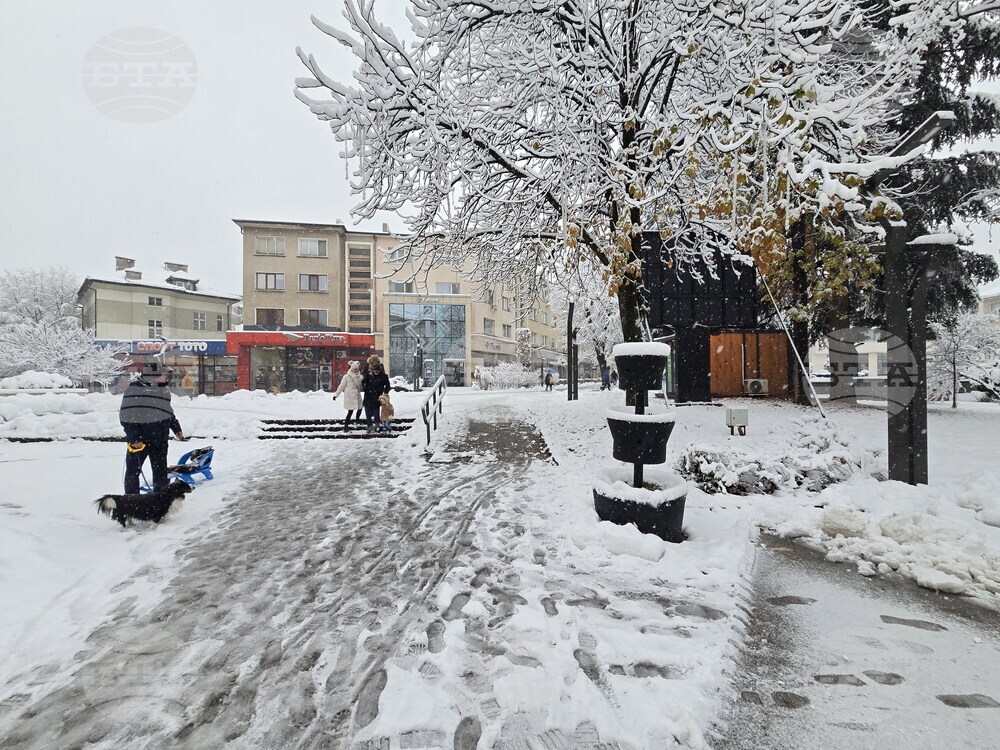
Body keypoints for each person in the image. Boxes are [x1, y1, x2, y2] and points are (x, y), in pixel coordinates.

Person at [119, 361, 185, 493]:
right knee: (133, 472)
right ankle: (131, 502)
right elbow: (127, 416)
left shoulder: (163, 390)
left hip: (160, 439)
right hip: (140, 441)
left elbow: (167, 412)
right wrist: (134, 438)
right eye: (165, 375)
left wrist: (176, 428)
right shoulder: (134, 389)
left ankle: (161, 502)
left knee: (160, 472)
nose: (167, 378)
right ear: (153, 375)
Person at [361, 355, 391, 433]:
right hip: (368, 395)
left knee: (376, 411)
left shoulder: (383, 376)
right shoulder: (368, 374)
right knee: (367, 412)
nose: (376, 373)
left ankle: (377, 425)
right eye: (374, 371)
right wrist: (364, 388)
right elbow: (363, 381)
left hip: (377, 395)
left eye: (377, 371)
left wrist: (385, 393)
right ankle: (369, 426)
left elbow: (387, 385)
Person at [333, 360, 363, 431]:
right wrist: (336, 395)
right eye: (354, 369)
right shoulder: (346, 376)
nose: (355, 370)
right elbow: (341, 386)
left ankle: (357, 419)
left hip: (357, 395)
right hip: (350, 396)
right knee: (350, 411)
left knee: (360, 408)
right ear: (351, 368)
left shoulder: (360, 377)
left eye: (356, 369)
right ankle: (346, 426)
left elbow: (362, 386)